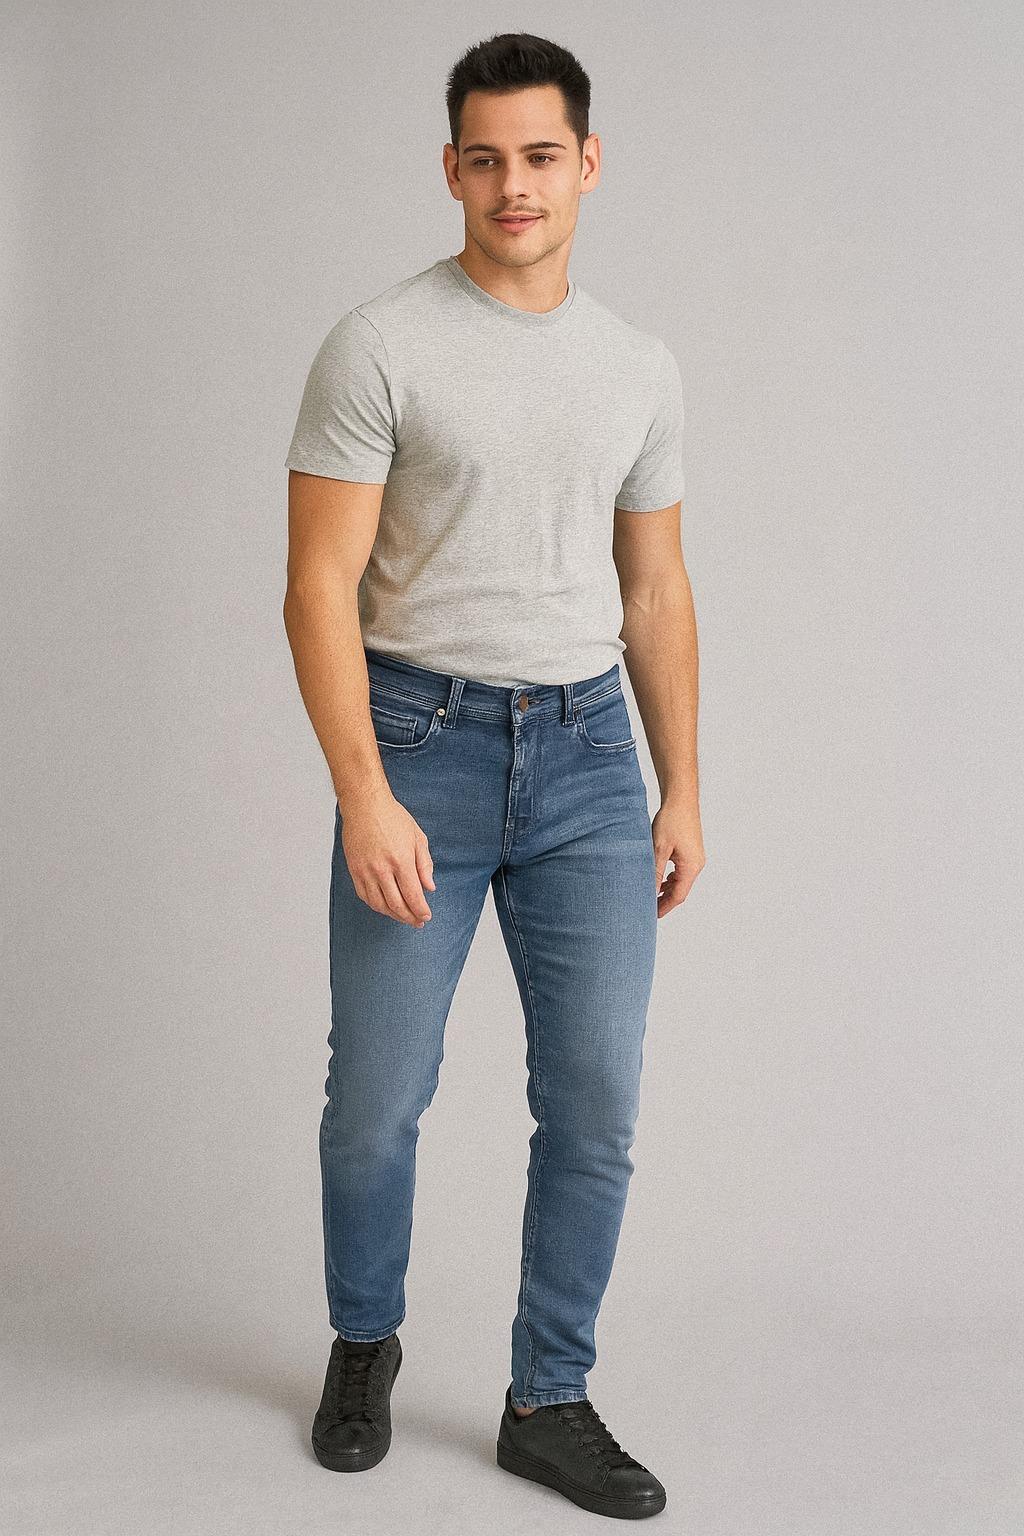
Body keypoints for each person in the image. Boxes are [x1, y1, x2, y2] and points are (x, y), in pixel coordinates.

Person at [282, 30, 704, 1521]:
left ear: (587, 163)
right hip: (422, 745)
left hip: (587, 759)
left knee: (596, 1104)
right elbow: (318, 588)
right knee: (375, 1098)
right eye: (485, 158)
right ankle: (364, 1342)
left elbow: (655, 588)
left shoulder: (638, 365)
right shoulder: (380, 344)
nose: (513, 184)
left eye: (539, 155)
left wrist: (681, 784)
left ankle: (549, 1398)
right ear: (450, 170)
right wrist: (365, 795)